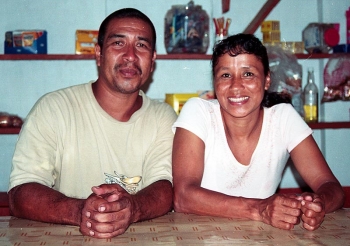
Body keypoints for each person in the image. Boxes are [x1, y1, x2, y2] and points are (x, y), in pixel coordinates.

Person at [8, 8, 177, 239]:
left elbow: (165, 187)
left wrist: (131, 208)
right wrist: (81, 211)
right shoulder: (54, 108)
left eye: (141, 45)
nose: (130, 55)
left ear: (153, 59)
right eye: (118, 43)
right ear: (98, 54)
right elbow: (21, 193)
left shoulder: (163, 117)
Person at [172, 33, 345, 231]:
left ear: (267, 80)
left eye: (248, 74)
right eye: (225, 75)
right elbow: (183, 197)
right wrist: (260, 209)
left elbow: (331, 187)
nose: (236, 86)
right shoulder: (198, 112)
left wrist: (319, 204)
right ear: (215, 83)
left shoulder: (283, 118)